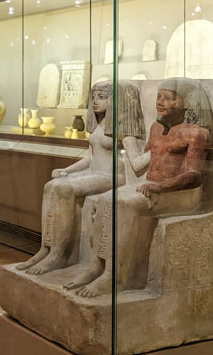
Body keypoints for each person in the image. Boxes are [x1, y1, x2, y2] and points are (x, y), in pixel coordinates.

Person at [66, 77, 213, 297]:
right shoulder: (156, 128)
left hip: (178, 193)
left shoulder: (197, 134)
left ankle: (114, 276)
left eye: (168, 98)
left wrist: (161, 188)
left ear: (185, 102)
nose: (160, 102)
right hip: (150, 186)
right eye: (158, 97)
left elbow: (194, 175)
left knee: (121, 205)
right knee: (103, 200)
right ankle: (96, 267)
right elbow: (144, 161)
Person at [17, 80, 145, 275]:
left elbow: (136, 162)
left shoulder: (124, 131)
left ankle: (59, 255)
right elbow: (90, 159)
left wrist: (162, 150)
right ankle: (46, 249)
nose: (95, 102)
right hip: (94, 172)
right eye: (93, 97)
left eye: (102, 97)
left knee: (65, 189)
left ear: (117, 102)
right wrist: (67, 170)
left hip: (111, 176)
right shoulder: (99, 126)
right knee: (51, 185)